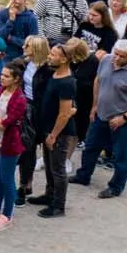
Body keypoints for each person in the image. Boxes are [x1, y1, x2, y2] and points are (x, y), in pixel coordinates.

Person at [70, 40, 127, 198]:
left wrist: (124, 118)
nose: (117, 58)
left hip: (121, 121)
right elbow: (98, 81)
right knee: (90, 147)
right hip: (101, 115)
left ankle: (116, 187)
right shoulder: (106, 60)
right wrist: (94, 105)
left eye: (122, 56)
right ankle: (83, 175)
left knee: (119, 156)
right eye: (116, 54)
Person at [26, 40, 80, 219]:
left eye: (53, 55)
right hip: (48, 129)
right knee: (49, 167)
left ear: (64, 59)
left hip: (59, 133)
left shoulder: (66, 82)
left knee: (57, 169)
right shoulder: (54, 74)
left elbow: (64, 113)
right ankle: (49, 195)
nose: (49, 57)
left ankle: (58, 205)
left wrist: (53, 135)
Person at [0, 62, 29, 228]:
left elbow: (6, 124)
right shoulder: (0, 90)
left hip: (10, 143)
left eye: (6, 76)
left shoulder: (20, 99)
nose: (2, 78)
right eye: (2, 75)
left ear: (16, 79)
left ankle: (7, 214)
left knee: (7, 178)